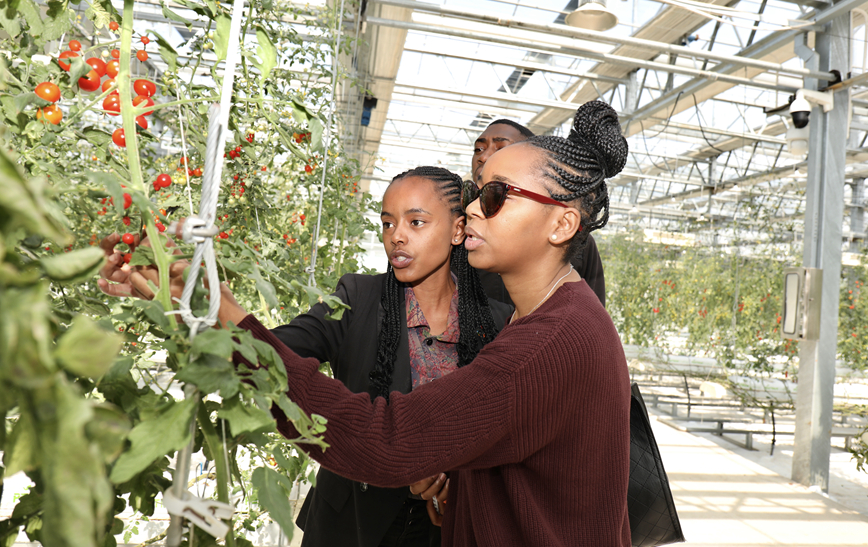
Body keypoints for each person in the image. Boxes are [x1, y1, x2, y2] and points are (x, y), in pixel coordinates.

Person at [98, 166, 513, 547]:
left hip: (445, 530)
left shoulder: (497, 322)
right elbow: (275, 351)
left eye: (416, 222)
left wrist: (455, 481)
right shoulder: (358, 298)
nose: (396, 236)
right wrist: (183, 300)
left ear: (458, 230)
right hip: (348, 525)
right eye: (388, 223)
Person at [471, 119, 607, 307]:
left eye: (502, 148)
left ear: (563, 225)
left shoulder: (579, 245)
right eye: (478, 149)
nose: (484, 156)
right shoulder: (461, 231)